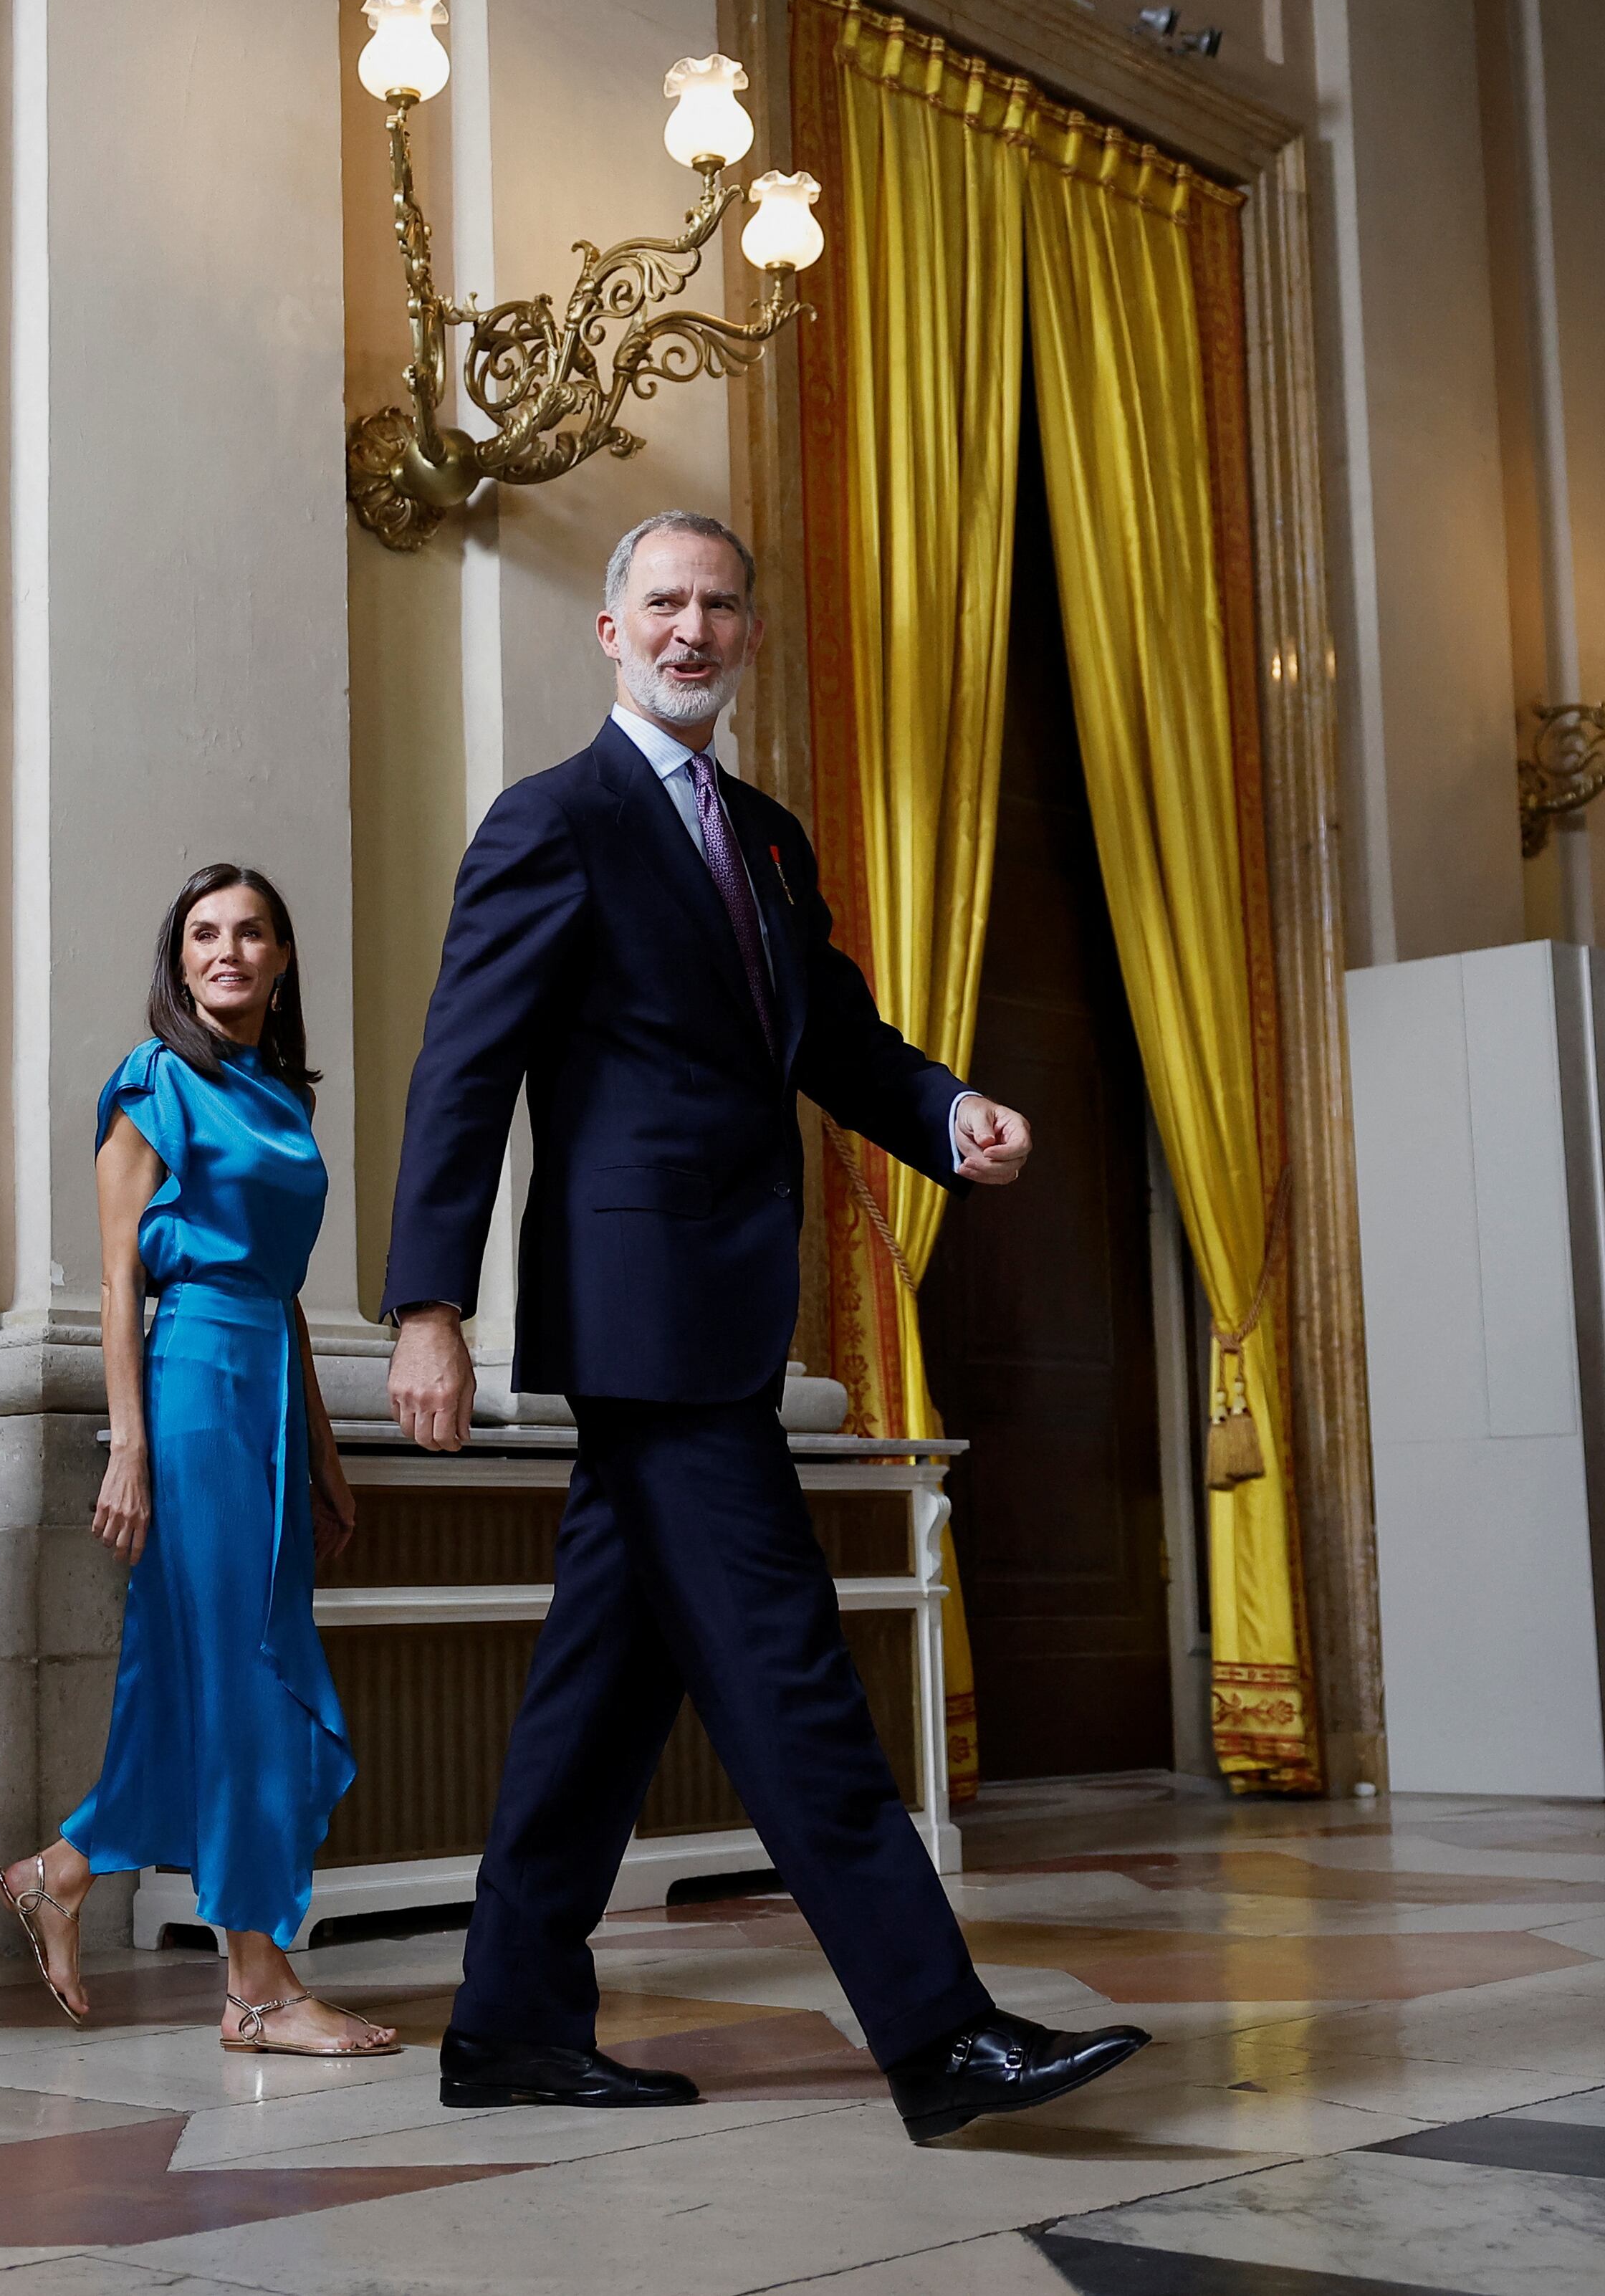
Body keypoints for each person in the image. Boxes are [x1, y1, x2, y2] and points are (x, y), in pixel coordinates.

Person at [380, 512, 1148, 2143]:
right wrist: (428, 1304)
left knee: (600, 1687)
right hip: (639, 1321)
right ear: (609, 630)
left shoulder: (769, 838)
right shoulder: (554, 821)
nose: (694, 628)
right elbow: (465, 1068)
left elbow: (842, 1040)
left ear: (745, 635)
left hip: (720, 1309)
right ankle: (938, 2032)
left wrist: (948, 1116)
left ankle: (510, 2021)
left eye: (722, 605)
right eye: (664, 602)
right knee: (797, 1676)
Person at [0, 866, 390, 2057]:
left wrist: (323, 1452)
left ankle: (59, 1871)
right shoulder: (154, 1081)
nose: (228, 950)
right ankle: (259, 1987)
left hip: (266, 1378)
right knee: (242, 1674)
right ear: (180, 959)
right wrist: (128, 1445)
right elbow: (121, 1280)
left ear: (281, 957)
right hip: (193, 1387)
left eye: (251, 931)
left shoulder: (279, 1094)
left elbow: (289, 1294)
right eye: (205, 933)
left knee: (203, 1670)